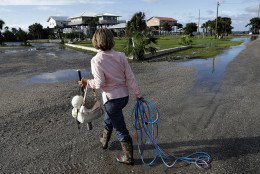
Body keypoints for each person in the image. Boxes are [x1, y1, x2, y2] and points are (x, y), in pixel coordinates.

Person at [78, 28, 143, 165]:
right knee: (110, 119)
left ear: (95, 41)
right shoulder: (121, 56)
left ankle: (128, 156)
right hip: (124, 97)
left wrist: (86, 82)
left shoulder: (96, 60)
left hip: (111, 100)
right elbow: (130, 77)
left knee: (120, 128)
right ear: (111, 39)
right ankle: (104, 140)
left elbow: (99, 83)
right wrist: (138, 94)